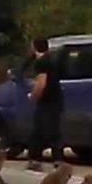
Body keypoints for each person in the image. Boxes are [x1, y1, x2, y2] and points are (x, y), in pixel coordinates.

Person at [27, 38, 64, 172]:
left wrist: (33, 95)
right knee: (55, 131)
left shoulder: (41, 63)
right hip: (57, 100)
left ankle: (35, 160)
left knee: (38, 131)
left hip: (46, 101)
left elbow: (41, 83)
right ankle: (58, 160)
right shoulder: (52, 60)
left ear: (34, 47)